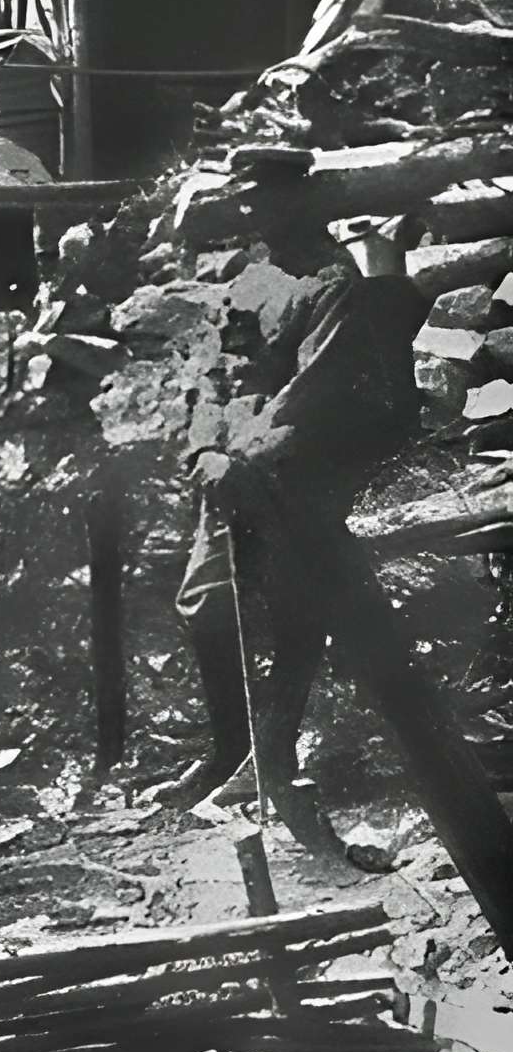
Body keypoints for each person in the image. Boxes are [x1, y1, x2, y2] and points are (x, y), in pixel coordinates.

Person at [160, 167, 430, 853]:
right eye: (251, 203)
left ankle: (271, 757)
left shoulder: (334, 281)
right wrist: (202, 452)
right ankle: (230, 750)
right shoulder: (251, 276)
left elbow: (314, 392)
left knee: (291, 614)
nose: (260, 215)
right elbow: (209, 371)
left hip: (295, 466)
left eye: (272, 201)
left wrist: (243, 459)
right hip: (228, 469)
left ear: (301, 202)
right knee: (206, 605)